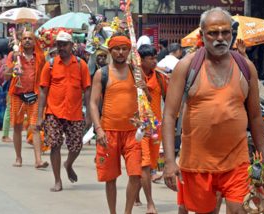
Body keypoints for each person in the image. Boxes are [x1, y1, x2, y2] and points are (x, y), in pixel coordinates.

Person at [161, 7, 264, 213]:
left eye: (225, 32)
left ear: (232, 33)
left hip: (237, 161)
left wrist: (262, 162)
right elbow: (169, 116)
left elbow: (255, 117)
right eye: (213, 33)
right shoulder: (187, 66)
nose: (220, 38)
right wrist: (169, 162)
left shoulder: (246, 67)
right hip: (198, 163)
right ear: (202, 35)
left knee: (241, 209)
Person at [89, 33, 143, 214]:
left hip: (132, 133)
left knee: (136, 174)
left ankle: (127, 212)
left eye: (124, 49)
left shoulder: (136, 72)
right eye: (117, 49)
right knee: (110, 178)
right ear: (110, 51)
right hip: (108, 132)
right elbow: (93, 103)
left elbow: (147, 101)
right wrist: (98, 129)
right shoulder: (101, 73)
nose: (120, 52)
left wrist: (144, 88)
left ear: (129, 51)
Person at [38, 31, 91, 191]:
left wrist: (89, 114)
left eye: (64, 44)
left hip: (74, 112)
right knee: (54, 144)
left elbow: (87, 90)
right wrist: (40, 116)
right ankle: (57, 180)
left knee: (76, 146)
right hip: (53, 112)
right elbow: (43, 91)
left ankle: (68, 164)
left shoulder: (81, 65)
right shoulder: (51, 64)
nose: (61, 47)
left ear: (71, 46)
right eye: (59, 44)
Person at [5, 31, 48, 168]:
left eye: (30, 38)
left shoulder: (40, 57)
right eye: (25, 38)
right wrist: (13, 66)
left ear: (35, 41)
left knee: (35, 127)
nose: (28, 40)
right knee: (17, 127)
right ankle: (18, 158)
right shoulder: (14, 56)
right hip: (17, 95)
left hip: (34, 95)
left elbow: (45, 77)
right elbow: (5, 76)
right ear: (21, 41)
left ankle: (38, 160)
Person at [135, 44, 168, 214]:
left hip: (156, 127)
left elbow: (169, 98)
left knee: (150, 164)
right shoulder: (132, 75)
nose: (155, 61)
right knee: (145, 164)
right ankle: (150, 203)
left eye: (155, 58)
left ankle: (136, 194)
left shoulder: (160, 77)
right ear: (141, 60)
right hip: (139, 127)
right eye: (151, 59)